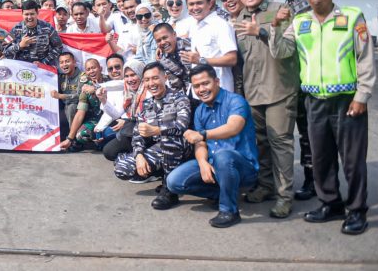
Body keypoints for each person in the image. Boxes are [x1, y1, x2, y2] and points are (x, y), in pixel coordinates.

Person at [270, 0, 375, 235]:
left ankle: (356, 210)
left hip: (347, 100)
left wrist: (362, 95)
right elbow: (281, 52)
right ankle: (331, 203)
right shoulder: (300, 21)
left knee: (352, 161)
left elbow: (365, 60)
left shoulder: (352, 17)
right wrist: (276, 26)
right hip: (314, 100)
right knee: (321, 158)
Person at [233, 0, 298, 218]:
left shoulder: (278, 10)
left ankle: (285, 197)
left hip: (279, 89)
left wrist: (260, 30)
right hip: (253, 92)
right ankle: (266, 186)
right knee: (260, 143)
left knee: (281, 143)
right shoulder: (238, 18)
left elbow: (286, 48)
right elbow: (241, 61)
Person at [166, 65, 259, 228]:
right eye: (196, 86)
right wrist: (202, 163)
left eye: (205, 83)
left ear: (216, 81)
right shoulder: (200, 110)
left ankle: (229, 210)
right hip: (215, 164)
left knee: (223, 155)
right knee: (174, 181)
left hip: (243, 167)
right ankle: (221, 193)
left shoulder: (235, 100)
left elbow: (233, 128)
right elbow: (200, 144)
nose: (201, 89)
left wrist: (203, 134)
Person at [114, 62, 192, 210]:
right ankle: (159, 172)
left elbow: (182, 126)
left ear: (165, 77)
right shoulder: (147, 103)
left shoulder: (179, 98)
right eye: (147, 80)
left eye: (155, 78)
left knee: (169, 140)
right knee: (122, 169)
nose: (151, 83)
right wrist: (139, 156)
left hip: (182, 147)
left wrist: (156, 131)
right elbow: (138, 133)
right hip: (159, 148)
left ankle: (169, 190)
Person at [278, 0, 315, 200]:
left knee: (310, 136)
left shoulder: (313, 7)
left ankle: (315, 182)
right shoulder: (281, 10)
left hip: (312, 82)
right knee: (293, 136)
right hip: (289, 82)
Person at [181, 0, 238, 92]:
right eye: (191, 4)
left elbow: (232, 59)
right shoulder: (194, 26)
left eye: (199, 3)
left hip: (219, 91)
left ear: (210, 4)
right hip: (199, 91)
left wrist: (201, 60)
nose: (195, 7)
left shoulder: (220, 25)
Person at [98, 56, 146, 162]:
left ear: (141, 74)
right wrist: (103, 100)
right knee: (108, 150)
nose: (130, 79)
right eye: (127, 76)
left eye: (133, 75)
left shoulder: (148, 91)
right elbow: (116, 114)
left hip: (148, 132)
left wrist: (126, 122)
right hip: (131, 126)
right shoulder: (129, 91)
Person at [59, 59, 109, 151]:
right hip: (96, 120)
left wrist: (95, 89)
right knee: (81, 135)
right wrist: (69, 139)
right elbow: (80, 113)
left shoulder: (110, 81)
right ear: (86, 72)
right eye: (88, 69)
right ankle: (97, 142)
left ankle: (106, 141)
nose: (91, 71)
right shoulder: (85, 87)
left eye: (94, 68)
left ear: (100, 68)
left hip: (112, 119)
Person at [3, 0, 63, 66]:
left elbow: (58, 47)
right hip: (21, 67)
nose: (29, 17)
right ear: (22, 14)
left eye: (32, 14)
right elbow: (4, 49)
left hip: (42, 68)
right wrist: (19, 45)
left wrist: (44, 62)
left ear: (37, 13)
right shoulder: (16, 29)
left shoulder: (47, 28)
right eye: (26, 14)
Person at [50, 52, 83, 140]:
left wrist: (61, 96)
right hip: (65, 108)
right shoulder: (61, 77)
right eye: (61, 62)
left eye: (67, 61)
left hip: (80, 109)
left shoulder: (82, 76)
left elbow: (80, 96)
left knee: (71, 107)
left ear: (74, 62)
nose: (64, 64)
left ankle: (74, 140)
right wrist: (39, 66)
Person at [152, 23, 191, 95]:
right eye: (159, 41)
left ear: (174, 34)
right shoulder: (162, 59)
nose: (162, 42)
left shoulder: (188, 46)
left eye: (165, 38)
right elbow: (176, 85)